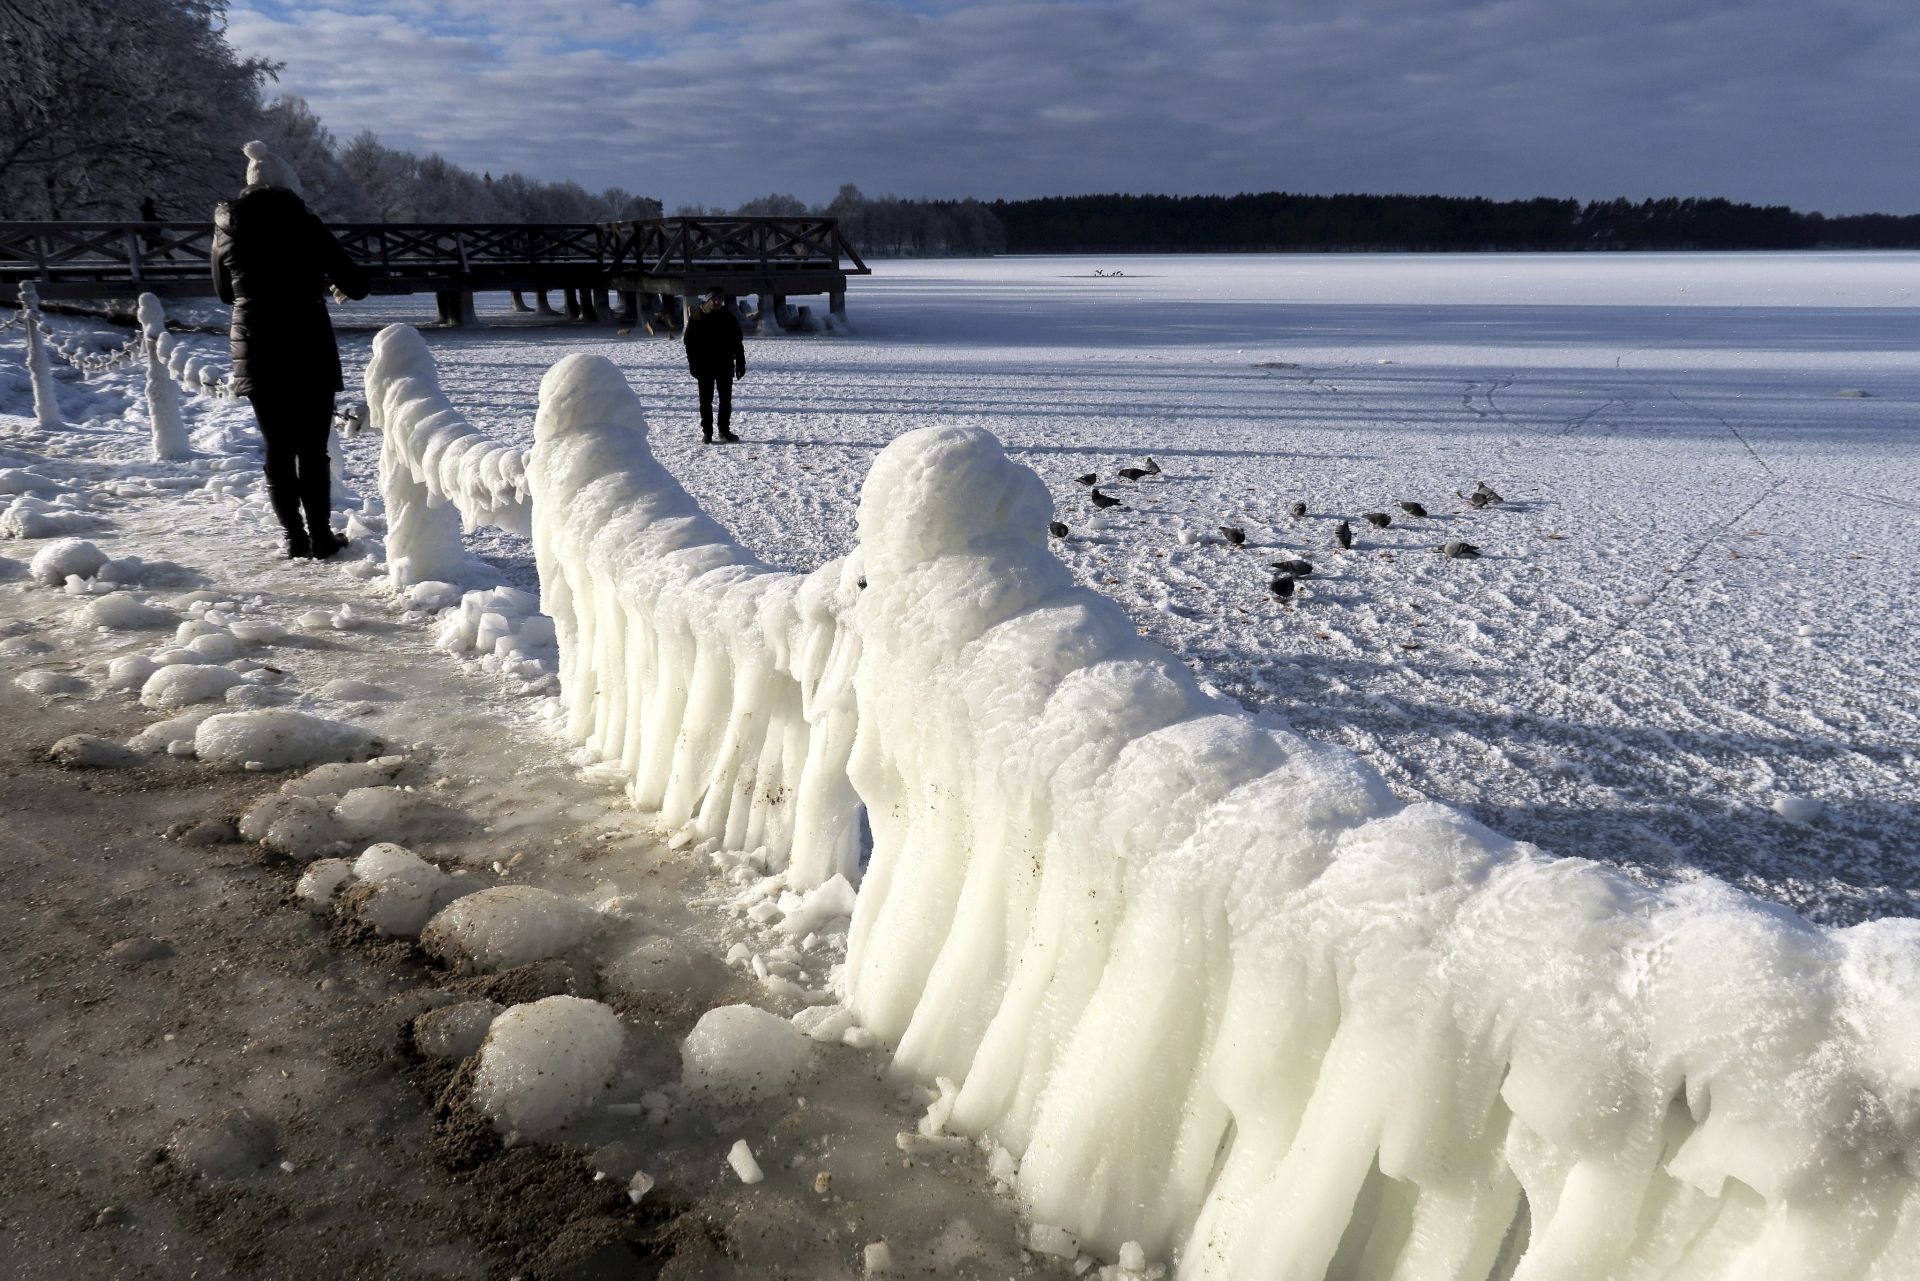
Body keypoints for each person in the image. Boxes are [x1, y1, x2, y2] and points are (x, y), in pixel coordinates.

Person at [212, 140, 370, 559]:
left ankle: (293, 538)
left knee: (277, 448)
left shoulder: (227, 228)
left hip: (256, 344)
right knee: (312, 448)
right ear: (289, 186)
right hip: (306, 341)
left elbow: (224, 293)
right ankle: (321, 536)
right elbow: (357, 285)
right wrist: (322, 279)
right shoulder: (304, 222)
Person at [682, 287, 746, 443]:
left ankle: (724, 430)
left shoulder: (729, 317)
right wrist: (693, 364)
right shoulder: (697, 316)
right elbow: (689, 342)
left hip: (724, 365)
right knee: (705, 401)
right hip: (704, 366)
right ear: (707, 300)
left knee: (725, 400)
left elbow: (738, 343)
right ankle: (707, 433)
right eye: (714, 299)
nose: (717, 302)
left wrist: (740, 363)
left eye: (720, 299)